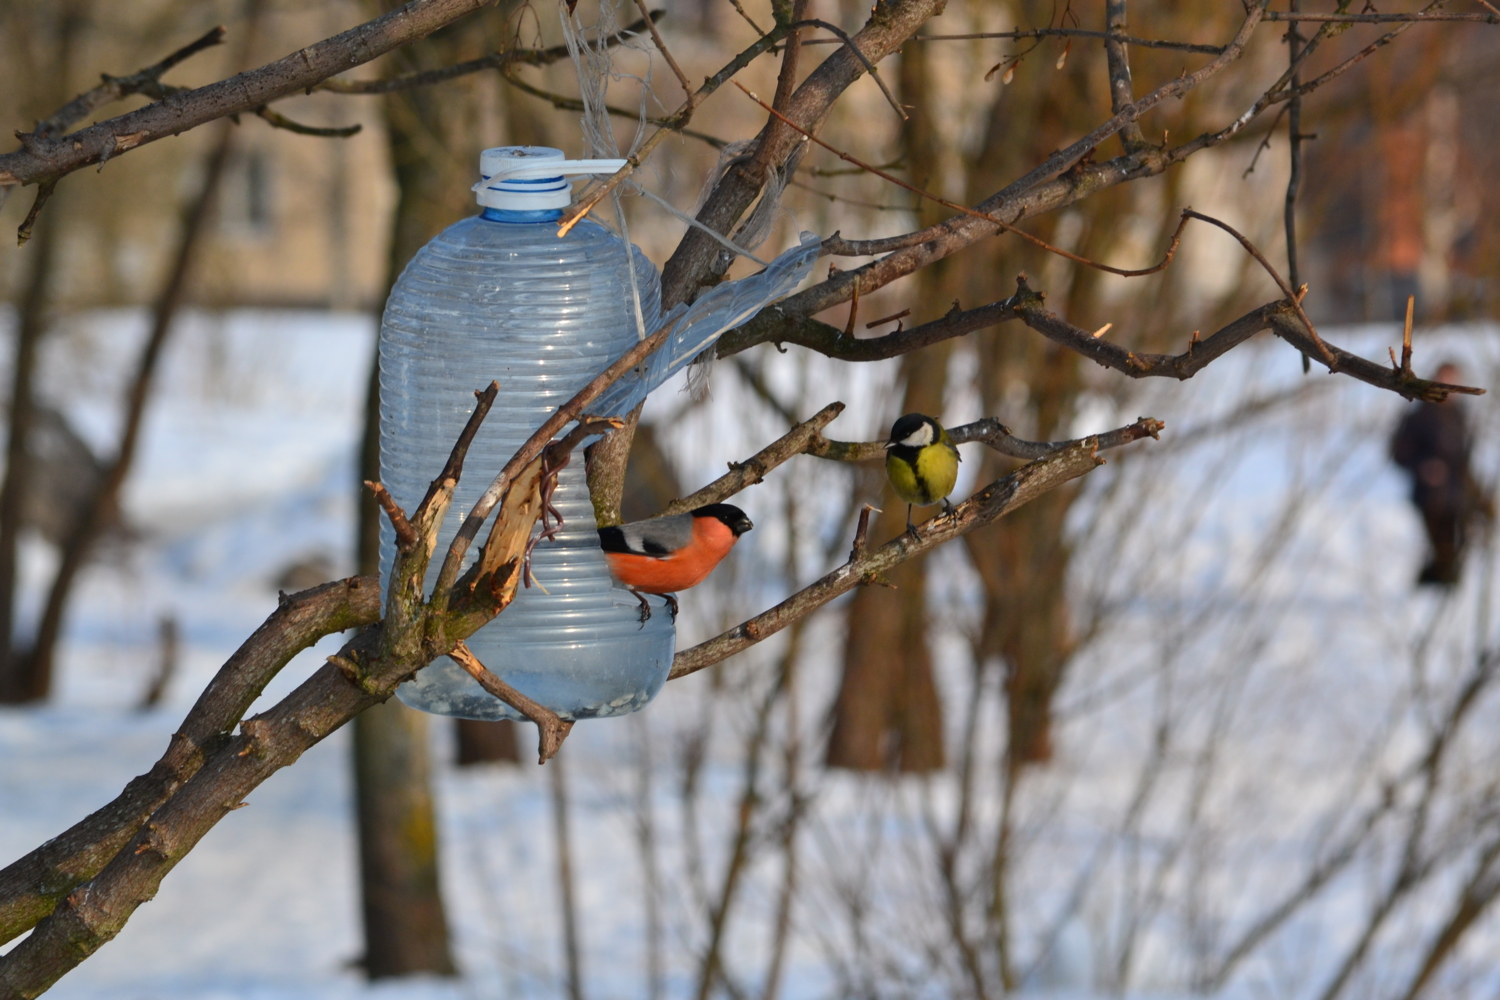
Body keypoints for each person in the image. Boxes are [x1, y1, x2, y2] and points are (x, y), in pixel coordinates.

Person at [1390, 363, 1489, 585]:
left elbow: (1464, 458)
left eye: (1454, 382)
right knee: (1441, 547)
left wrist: (1476, 491)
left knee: (1458, 546)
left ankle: (1447, 587)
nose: (1449, 388)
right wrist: (1423, 467)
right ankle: (1431, 589)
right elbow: (1398, 453)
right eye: (1445, 381)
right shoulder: (1419, 416)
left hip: (1457, 494)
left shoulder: (1460, 416)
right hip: (1430, 496)